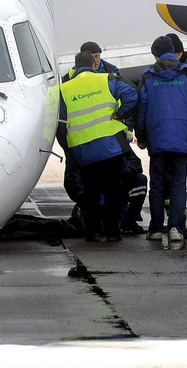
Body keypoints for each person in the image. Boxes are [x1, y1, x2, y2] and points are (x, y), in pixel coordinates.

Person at [57, 51, 138, 242]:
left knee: (90, 193)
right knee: (113, 191)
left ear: (75, 68)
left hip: (84, 150)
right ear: (94, 65)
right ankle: (112, 233)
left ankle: (93, 232)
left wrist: (69, 150)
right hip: (110, 147)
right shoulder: (107, 79)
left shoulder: (64, 89)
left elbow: (60, 124)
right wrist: (120, 113)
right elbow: (132, 94)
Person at [135, 35, 187, 244]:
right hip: (183, 139)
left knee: (157, 184)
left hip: (157, 140)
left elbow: (141, 110)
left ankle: (156, 229)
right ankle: (176, 228)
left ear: (155, 54)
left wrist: (141, 136)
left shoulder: (148, 76)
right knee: (178, 184)